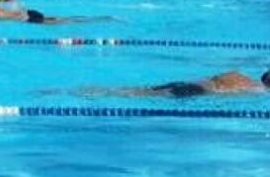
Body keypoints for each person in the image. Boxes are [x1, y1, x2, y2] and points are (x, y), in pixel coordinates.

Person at [100, 70, 270, 98]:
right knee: (141, 94)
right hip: (196, 90)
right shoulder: (257, 90)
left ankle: (103, 91)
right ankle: (104, 92)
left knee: (141, 90)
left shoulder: (239, 74)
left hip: (192, 84)